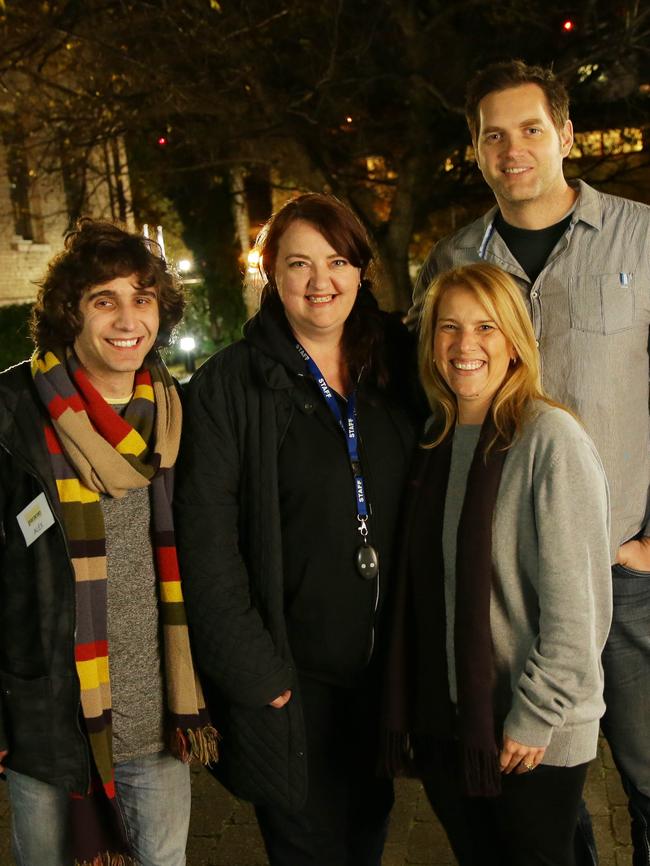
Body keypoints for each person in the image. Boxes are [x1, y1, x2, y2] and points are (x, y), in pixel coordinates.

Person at [411, 60, 650, 864]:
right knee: (546, 789)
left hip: (628, 570)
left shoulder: (642, 238)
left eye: (532, 130)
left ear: (567, 135)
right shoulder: (450, 262)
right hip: (512, 584)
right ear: (475, 150)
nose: (513, 150)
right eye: (494, 135)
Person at [174, 193, 420, 866]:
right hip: (289, 679)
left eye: (337, 261)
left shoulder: (399, 363)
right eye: (299, 264)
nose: (320, 282)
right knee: (306, 844)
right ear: (270, 273)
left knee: (368, 828)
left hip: (380, 672)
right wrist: (256, 674)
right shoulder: (228, 386)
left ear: (361, 271)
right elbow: (205, 541)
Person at [0, 219, 218, 866]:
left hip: (156, 726)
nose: (128, 319)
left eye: (142, 298)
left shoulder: (177, 416)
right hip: (49, 725)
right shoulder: (13, 412)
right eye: (105, 300)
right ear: (73, 312)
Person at [385, 261, 612, 866]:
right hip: (453, 722)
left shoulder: (549, 439)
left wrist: (533, 720)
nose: (465, 346)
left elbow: (577, 615)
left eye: (486, 328)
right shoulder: (434, 440)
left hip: (532, 730)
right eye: (449, 328)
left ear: (514, 340)